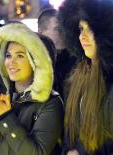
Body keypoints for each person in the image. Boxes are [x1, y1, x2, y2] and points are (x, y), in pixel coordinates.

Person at [0, 23, 64, 155]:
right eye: (8, 55)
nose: (11, 62)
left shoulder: (50, 103)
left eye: (20, 56)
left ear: (37, 61)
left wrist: (4, 118)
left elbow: (37, 152)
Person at [58, 0, 113, 154]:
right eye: (81, 29)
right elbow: (70, 131)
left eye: (91, 29)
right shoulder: (76, 77)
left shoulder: (109, 79)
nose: (83, 36)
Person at [38, 8, 76, 99]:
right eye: (58, 29)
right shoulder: (33, 62)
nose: (63, 33)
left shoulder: (76, 59)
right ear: (41, 32)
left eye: (64, 28)